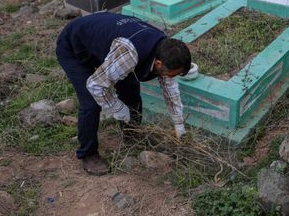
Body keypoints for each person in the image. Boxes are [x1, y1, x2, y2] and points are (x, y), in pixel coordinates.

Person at [56, 12, 191, 175]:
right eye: (171, 74)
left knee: (131, 92)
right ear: (158, 63)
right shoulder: (130, 53)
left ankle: (131, 134)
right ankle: (88, 153)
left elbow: (170, 89)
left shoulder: (165, 49)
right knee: (91, 103)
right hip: (75, 46)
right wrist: (118, 108)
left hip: (107, 47)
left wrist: (179, 124)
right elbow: (95, 85)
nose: (170, 78)